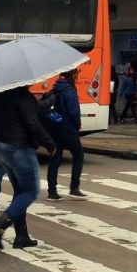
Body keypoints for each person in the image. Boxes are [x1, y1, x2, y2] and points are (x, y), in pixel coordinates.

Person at [0, 83, 56, 250]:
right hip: (19, 148)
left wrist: (45, 100)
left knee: (20, 192)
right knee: (31, 192)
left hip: (1, 147)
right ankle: (0, 224)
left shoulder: (1, 94)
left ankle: (21, 236)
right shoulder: (25, 97)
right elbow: (33, 124)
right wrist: (50, 144)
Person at [46, 69, 87, 202]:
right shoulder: (69, 91)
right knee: (78, 155)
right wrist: (77, 123)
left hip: (55, 128)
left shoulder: (56, 87)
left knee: (55, 159)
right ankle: (74, 188)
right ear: (73, 75)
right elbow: (73, 112)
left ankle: (52, 192)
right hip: (68, 129)